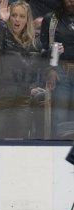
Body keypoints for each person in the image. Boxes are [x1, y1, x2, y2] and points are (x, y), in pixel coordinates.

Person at [0, 0, 42, 139]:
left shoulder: (32, 42)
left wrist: (31, 86)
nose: (17, 19)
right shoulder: (0, 32)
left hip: (23, 98)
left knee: (21, 141)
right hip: (0, 97)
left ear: (27, 19)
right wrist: (1, 21)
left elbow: (31, 69)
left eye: (22, 16)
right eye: (14, 15)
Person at [39, 0, 74, 139]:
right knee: (60, 117)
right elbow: (42, 49)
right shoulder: (50, 19)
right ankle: (57, 154)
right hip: (60, 71)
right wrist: (51, 68)